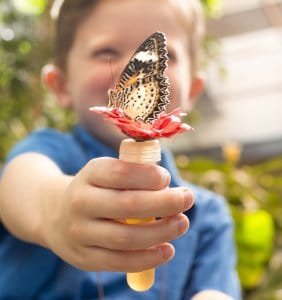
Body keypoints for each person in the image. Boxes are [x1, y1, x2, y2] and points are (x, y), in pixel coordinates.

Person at [0, 0, 241, 299]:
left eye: (164, 59)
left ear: (192, 90)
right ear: (61, 85)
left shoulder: (207, 216)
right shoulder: (51, 151)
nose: (131, 68)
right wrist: (54, 209)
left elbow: (214, 290)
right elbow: (21, 182)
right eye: (107, 52)